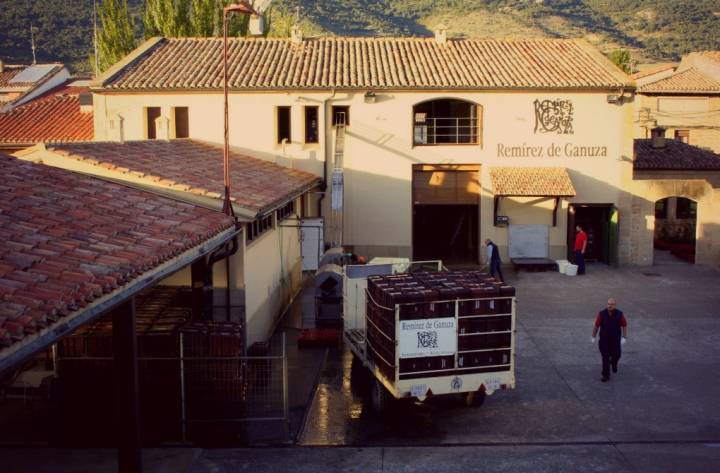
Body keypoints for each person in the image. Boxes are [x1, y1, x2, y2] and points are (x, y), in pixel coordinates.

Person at [592, 298, 628, 382]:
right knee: (605, 358)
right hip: (604, 341)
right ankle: (605, 375)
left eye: (611, 304)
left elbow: (624, 325)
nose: (609, 306)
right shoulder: (601, 314)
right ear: (606, 305)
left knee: (617, 355)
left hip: (615, 341)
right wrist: (593, 336)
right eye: (608, 304)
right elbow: (596, 326)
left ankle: (614, 363)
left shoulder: (620, 314)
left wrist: (624, 337)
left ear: (615, 305)